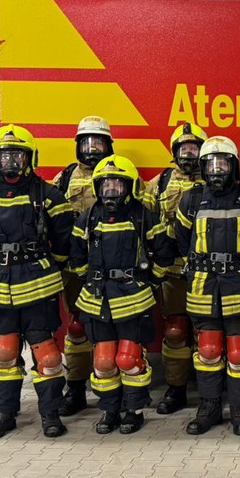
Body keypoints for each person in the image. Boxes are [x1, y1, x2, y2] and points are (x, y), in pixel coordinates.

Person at [0, 124, 75, 440]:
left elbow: (64, 239)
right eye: (4, 156)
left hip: (39, 285)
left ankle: (51, 413)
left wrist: (50, 266)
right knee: (3, 352)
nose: (10, 163)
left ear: (29, 158)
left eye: (17, 156)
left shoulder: (49, 195)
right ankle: (4, 412)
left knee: (49, 354)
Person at [67, 155, 176, 435]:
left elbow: (164, 254)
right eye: (106, 186)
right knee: (103, 360)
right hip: (97, 297)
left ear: (130, 188)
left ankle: (134, 410)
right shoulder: (87, 219)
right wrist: (89, 279)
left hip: (133, 298)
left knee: (128, 359)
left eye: (118, 185)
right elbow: (77, 258)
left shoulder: (144, 218)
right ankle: (109, 410)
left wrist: (149, 282)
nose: (111, 191)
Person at [172, 136, 240, 436]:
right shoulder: (190, 200)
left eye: (223, 163)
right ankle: (209, 409)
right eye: (211, 164)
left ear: (234, 165)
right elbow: (181, 242)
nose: (217, 170)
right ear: (203, 167)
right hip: (204, 289)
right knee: (208, 351)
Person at [53, 115, 125, 417]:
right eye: (87, 142)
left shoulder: (122, 174)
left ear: (109, 145)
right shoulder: (64, 178)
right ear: (78, 145)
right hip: (77, 266)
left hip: (116, 268)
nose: (92, 148)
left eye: (98, 142)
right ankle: (77, 386)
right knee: (78, 327)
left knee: (118, 328)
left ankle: (122, 386)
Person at [148, 122, 207, 415]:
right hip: (173, 272)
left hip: (209, 272)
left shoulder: (217, 179)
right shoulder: (159, 183)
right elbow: (144, 223)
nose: (189, 154)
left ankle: (212, 390)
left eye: (194, 148)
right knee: (175, 331)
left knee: (207, 333)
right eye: (183, 148)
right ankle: (176, 389)